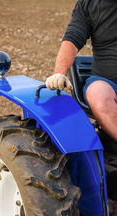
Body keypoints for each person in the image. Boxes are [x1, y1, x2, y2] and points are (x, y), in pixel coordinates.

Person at [45, 0, 117, 141]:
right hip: (107, 82)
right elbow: (72, 39)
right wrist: (59, 73)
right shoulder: (88, 4)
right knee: (97, 94)